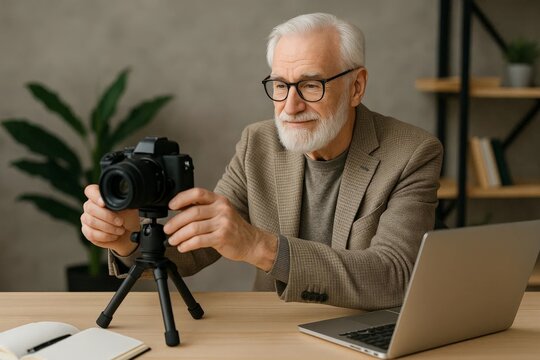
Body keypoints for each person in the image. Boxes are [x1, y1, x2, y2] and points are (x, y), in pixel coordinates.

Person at [81, 13, 442, 310]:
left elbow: (395, 277)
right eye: (280, 85)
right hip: (273, 329)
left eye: (311, 85)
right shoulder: (259, 143)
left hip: (366, 335)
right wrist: (127, 239)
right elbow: (194, 251)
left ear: (356, 87)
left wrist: (258, 246)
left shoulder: (412, 153)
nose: (290, 106)